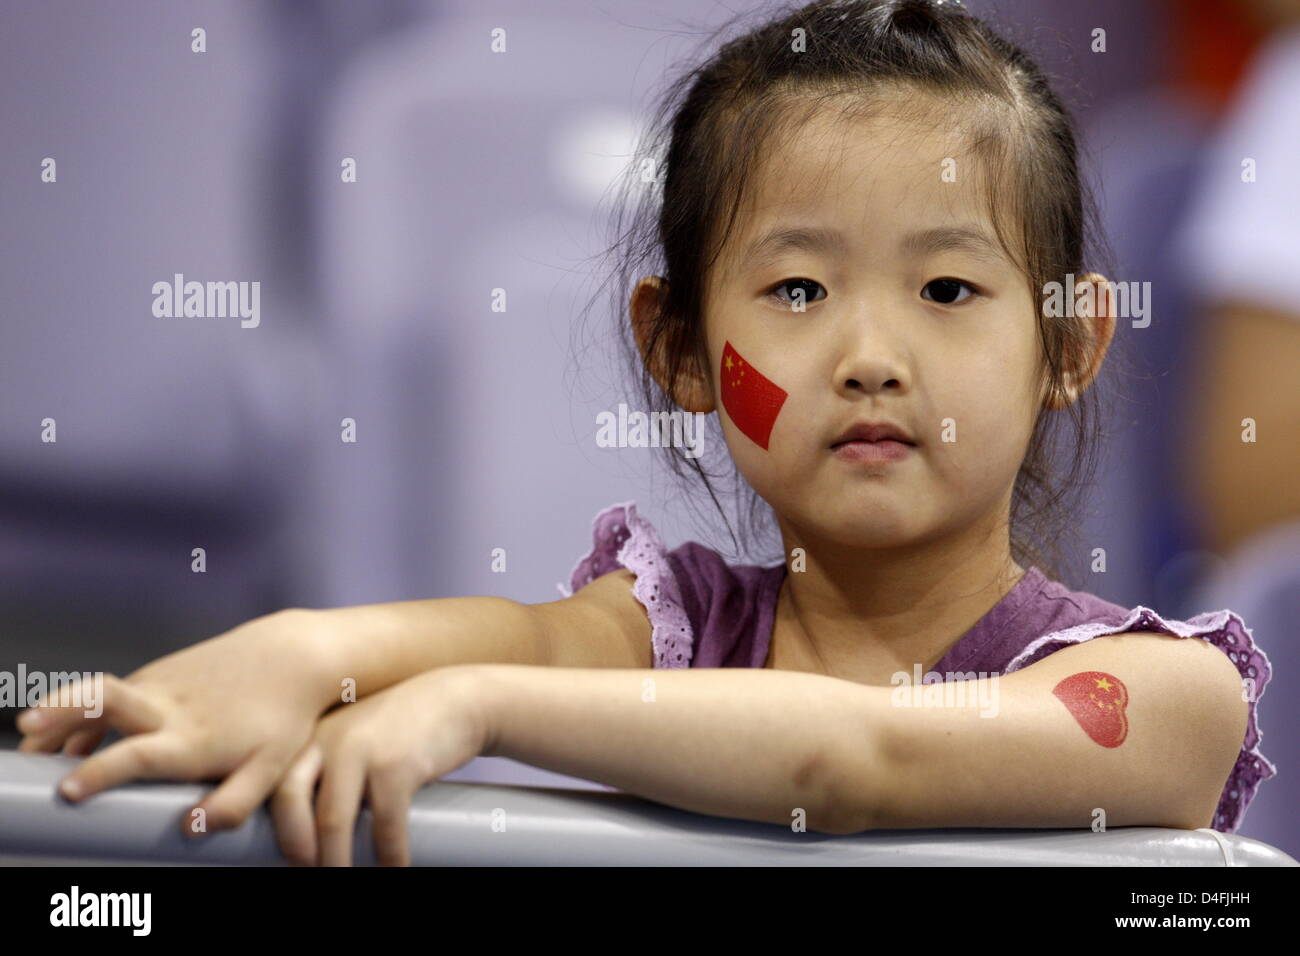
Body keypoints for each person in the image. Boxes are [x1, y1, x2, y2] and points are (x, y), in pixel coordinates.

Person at [15, 0, 1276, 867]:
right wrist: (300, 651)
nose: (871, 357)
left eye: (948, 290)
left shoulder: (1167, 696)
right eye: (797, 290)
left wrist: (474, 704)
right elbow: (492, 637)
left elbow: (854, 757)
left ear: (1068, 342)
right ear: (675, 348)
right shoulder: (664, 630)